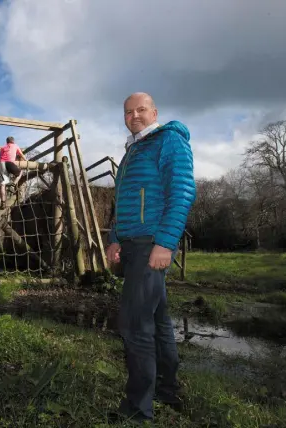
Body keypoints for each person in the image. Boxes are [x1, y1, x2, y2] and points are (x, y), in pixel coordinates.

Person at [106, 92, 196, 423]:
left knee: (133, 323)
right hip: (132, 243)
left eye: (141, 110)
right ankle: (167, 390)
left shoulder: (168, 141)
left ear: (154, 112)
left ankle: (137, 409)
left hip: (151, 242)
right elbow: (122, 202)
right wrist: (115, 239)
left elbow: (183, 191)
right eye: (128, 112)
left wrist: (166, 242)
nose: (134, 116)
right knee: (157, 320)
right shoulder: (133, 150)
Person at [0, 136, 27, 208]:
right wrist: (26, 161)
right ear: (13, 141)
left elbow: (0, 157)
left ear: (7, 142)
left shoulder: (3, 148)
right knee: (20, 172)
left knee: (2, 184)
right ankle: (13, 184)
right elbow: (21, 154)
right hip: (10, 163)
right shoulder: (15, 146)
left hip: (1, 163)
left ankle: (3, 203)